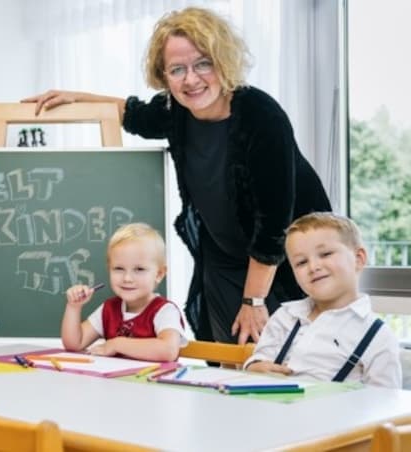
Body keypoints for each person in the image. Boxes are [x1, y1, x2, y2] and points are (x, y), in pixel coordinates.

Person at [23, 6, 331, 345]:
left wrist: (254, 300)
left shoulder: (260, 114)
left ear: (223, 61)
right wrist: (77, 97)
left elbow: (274, 224)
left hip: (286, 262)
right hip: (222, 262)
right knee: (225, 363)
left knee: (289, 362)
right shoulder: (176, 112)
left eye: (203, 64)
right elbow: (134, 114)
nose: (191, 79)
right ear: (164, 76)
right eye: (177, 69)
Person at [243, 213, 401, 388]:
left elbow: (387, 404)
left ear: (358, 259)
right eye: (301, 262)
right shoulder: (285, 316)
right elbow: (260, 358)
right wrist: (254, 366)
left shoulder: (377, 336)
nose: (314, 267)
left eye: (325, 254)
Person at [61, 223, 186, 361]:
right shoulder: (109, 309)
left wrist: (117, 344)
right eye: (119, 268)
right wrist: (74, 307)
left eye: (139, 269)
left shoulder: (165, 311)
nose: (127, 278)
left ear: (159, 274)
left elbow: (168, 351)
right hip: (116, 382)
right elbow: (74, 344)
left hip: (150, 382)